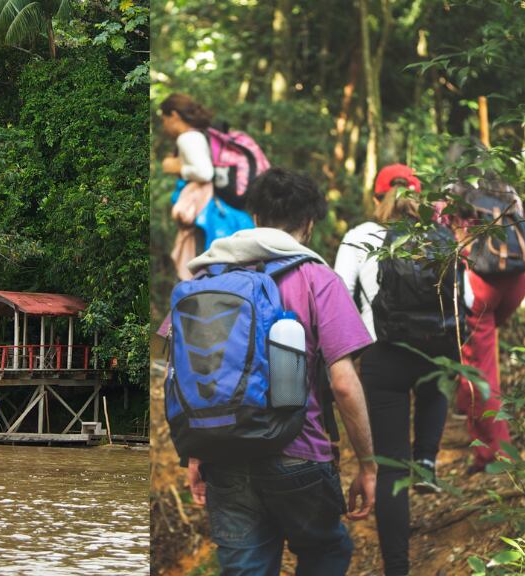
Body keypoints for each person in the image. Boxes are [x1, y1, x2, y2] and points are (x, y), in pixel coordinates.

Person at [186, 167, 376, 576]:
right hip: (299, 453)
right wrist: (368, 465)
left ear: (254, 217)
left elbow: (195, 371)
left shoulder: (207, 278)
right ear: (308, 223)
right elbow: (343, 384)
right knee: (326, 551)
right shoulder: (317, 279)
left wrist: (195, 454)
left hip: (224, 454)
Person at [334, 164, 469, 576]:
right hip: (435, 352)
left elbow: (340, 297)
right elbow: (464, 302)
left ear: (378, 198)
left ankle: (397, 568)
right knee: (435, 381)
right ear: (419, 197)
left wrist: (351, 354)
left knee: (390, 469)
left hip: (383, 357)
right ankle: (426, 458)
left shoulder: (361, 237)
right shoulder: (443, 237)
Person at [449, 175, 525, 474]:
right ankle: (474, 421)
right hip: (518, 278)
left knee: (479, 370)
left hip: (482, 281)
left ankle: (495, 453)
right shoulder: (506, 188)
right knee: (480, 364)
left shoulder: (458, 191)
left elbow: (448, 232)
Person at [159, 94, 254, 279]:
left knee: (203, 269)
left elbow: (204, 173)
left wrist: (178, 167)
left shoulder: (188, 138)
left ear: (174, 115)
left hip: (205, 213)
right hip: (215, 210)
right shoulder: (202, 135)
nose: (164, 126)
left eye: (164, 120)